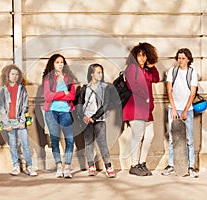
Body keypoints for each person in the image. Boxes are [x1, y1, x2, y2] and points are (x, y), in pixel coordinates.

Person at [123, 42, 159, 176]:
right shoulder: (132, 68)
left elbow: (156, 78)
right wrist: (145, 97)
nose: (142, 58)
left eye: (144, 55)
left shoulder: (147, 70)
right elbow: (133, 86)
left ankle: (142, 163)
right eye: (139, 55)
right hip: (135, 108)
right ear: (135, 56)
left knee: (150, 136)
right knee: (137, 137)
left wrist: (152, 66)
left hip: (147, 109)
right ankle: (134, 165)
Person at [162, 48, 198, 178]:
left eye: (183, 58)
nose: (180, 60)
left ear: (188, 59)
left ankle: (191, 166)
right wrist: (174, 108)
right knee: (172, 138)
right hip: (174, 108)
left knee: (189, 139)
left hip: (187, 110)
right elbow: (169, 90)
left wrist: (185, 110)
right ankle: (171, 165)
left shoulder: (192, 73)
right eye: (179, 58)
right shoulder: (173, 71)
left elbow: (192, 93)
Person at [75, 63, 116, 178]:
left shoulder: (105, 88)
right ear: (92, 74)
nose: (100, 74)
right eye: (98, 72)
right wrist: (83, 116)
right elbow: (79, 104)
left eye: (101, 72)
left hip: (99, 119)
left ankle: (108, 166)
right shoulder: (84, 88)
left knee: (102, 144)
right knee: (88, 143)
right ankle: (91, 165)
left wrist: (94, 117)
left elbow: (106, 105)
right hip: (86, 120)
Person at [0, 64, 37, 176]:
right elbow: (1, 108)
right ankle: (15, 165)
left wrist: (22, 121)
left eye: (17, 74)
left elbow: (25, 105)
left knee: (25, 144)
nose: (15, 76)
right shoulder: (3, 91)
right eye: (12, 74)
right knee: (13, 144)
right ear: (8, 75)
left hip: (20, 122)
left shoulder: (22, 89)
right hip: (9, 122)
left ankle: (29, 166)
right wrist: (6, 123)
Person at [42, 54, 77, 178]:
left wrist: (56, 94)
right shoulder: (48, 79)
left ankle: (67, 167)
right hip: (51, 112)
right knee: (55, 140)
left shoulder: (69, 78)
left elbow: (72, 96)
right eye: (57, 62)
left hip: (66, 111)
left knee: (70, 139)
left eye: (62, 62)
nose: (60, 64)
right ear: (53, 64)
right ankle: (59, 166)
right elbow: (47, 96)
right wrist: (63, 93)